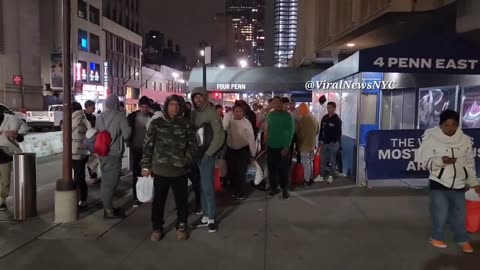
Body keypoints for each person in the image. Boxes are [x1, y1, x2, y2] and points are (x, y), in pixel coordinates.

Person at [415, 110, 480, 254]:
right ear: (441, 125)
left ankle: (462, 239)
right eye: (447, 125)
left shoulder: (465, 140)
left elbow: (469, 163)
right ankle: (436, 237)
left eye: (454, 125)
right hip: (438, 182)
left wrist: (474, 183)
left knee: (460, 214)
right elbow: (425, 162)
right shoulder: (431, 138)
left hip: (459, 184)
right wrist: (441, 161)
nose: (450, 128)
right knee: (441, 212)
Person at [141, 94, 198, 241]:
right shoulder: (157, 123)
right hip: (160, 170)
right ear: (166, 106)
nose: (175, 108)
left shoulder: (186, 124)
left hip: (180, 171)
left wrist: (186, 160)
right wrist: (146, 165)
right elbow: (148, 145)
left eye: (178, 105)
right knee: (159, 201)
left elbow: (193, 146)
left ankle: (182, 225)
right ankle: (157, 228)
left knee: (182, 201)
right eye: (172, 104)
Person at [190, 87, 226, 232]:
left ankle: (211, 218)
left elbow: (220, 135)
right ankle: (205, 215)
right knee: (201, 186)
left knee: (207, 186)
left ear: (205, 97)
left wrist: (209, 153)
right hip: (196, 154)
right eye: (195, 97)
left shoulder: (211, 112)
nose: (198, 100)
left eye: (200, 97)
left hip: (207, 155)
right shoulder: (193, 113)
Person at [96, 94, 131, 219]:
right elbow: (126, 135)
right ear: (116, 104)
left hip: (102, 152)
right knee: (111, 182)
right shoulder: (120, 116)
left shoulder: (99, 116)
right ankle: (108, 210)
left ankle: (108, 206)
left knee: (105, 179)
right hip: (114, 152)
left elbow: (97, 133)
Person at [225, 104, 256, 200]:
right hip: (231, 151)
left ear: (243, 112)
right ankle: (235, 190)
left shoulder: (246, 122)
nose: (238, 113)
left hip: (243, 150)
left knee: (241, 172)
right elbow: (224, 133)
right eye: (236, 111)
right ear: (233, 112)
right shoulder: (229, 122)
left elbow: (251, 138)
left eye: (240, 111)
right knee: (233, 172)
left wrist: (253, 153)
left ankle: (241, 192)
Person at [265, 97, 294, 199]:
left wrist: (287, 147)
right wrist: (266, 142)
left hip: (283, 148)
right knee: (272, 170)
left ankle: (284, 190)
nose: (276, 104)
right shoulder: (270, 115)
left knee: (284, 170)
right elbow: (267, 128)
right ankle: (274, 188)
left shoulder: (287, 116)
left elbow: (291, 132)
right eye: (274, 102)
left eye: (278, 102)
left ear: (282, 104)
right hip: (271, 147)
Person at [126, 96, 153, 207]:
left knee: (150, 173)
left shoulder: (153, 117)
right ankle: (136, 197)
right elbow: (127, 132)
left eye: (146, 107)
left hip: (149, 150)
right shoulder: (132, 117)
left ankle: (149, 194)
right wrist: (129, 144)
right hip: (136, 148)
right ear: (139, 106)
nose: (144, 109)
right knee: (136, 174)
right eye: (142, 107)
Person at [0, 111, 28, 211]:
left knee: (5, 180)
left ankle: (2, 200)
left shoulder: (12, 120)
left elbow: (20, 138)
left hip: (4, 155)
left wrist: (15, 135)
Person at [315, 102, 341, 184]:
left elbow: (338, 133)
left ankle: (331, 176)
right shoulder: (324, 118)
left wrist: (333, 141)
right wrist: (319, 140)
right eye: (327, 107)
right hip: (324, 143)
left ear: (334, 108)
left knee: (332, 161)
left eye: (330, 107)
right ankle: (321, 176)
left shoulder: (337, 119)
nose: (328, 109)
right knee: (323, 160)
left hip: (333, 144)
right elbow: (321, 130)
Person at [71, 102, 91, 208]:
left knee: (78, 177)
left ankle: (82, 200)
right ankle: (82, 199)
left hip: (75, 151)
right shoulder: (84, 119)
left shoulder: (73, 119)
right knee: (80, 176)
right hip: (83, 151)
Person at [296, 103, 319, 186]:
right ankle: (310, 178)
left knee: (305, 163)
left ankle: (306, 180)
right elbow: (317, 130)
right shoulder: (314, 118)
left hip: (304, 145)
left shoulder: (302, 120)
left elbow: (298, 133)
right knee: (310, 162)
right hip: (312, 144)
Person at [84, 100, 100, 184]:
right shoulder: (82, 117)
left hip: (92, 142)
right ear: (88, 107)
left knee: (93, 160)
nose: (94, 109)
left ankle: (93, 176)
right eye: (93, 107)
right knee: (83, 161)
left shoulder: (93, 117)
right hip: (83, 142)